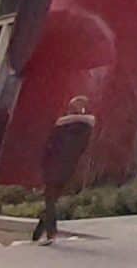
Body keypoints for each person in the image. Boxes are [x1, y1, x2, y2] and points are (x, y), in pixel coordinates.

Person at [33, 96, 97, 245]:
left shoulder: (61, 126)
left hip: (54, 165)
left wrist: (43, 165)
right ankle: (38, 232)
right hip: (70, 167)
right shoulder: (87, 129)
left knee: (50, 199)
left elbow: (49, 147)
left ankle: (51, 233)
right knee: (52, 199)